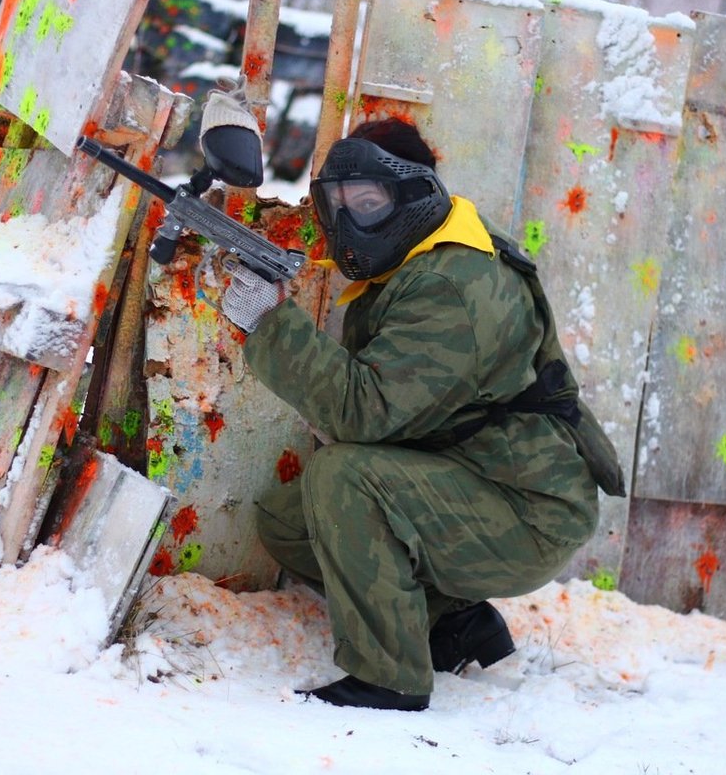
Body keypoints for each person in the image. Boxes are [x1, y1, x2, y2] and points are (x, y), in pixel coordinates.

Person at [220, 118, 614, 712]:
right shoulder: (425, 255)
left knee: (344, 478)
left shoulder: (451, 286)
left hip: (527, 509)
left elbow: (365, 411)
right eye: (340, 204)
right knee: (291, 521)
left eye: (370, 203)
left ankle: (388, 679)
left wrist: (270, 322)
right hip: (478, 475)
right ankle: (451, 625)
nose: (352, 223)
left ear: (414, 194)